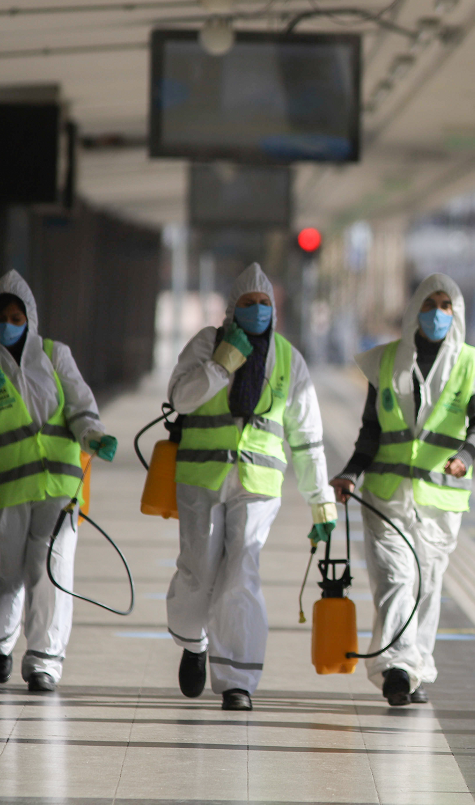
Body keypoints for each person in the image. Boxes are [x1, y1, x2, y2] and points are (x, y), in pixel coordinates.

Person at [167, 263, 336, 712]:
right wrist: (221, 367)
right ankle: (193, 642)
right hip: (201, 478)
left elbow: (307, 437)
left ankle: (237, 680)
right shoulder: (207, 344)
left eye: (264, 304)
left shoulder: (288, 358)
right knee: (197, 570)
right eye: (249, 304)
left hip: (259, 483)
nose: (257, 311)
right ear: (231, 309)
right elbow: (179, 398)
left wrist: (322, 503)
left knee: (242, 574)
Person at [331, 274, 475, 707]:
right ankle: (396, 668)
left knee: (427, 586)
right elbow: (370, 431)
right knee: (395, 580)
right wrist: (350, 473)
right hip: (385, 496)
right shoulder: (385, 361)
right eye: (430, 303)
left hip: (440, 499)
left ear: (457, 313)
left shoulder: (471, 364)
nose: (438, 313)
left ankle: (414, 666)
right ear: (414, 311)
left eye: (446, 305)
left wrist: (466, 455)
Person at [0, 270, 117, 692]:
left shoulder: (55, 355)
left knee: (50, 564)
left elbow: (81, 406)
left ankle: (44, 659)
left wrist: (94, 435)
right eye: (1, 316)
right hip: (7, 487)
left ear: (30, 318)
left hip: (61, 483)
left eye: (16, 315)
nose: (8, 324)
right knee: (4, 569)